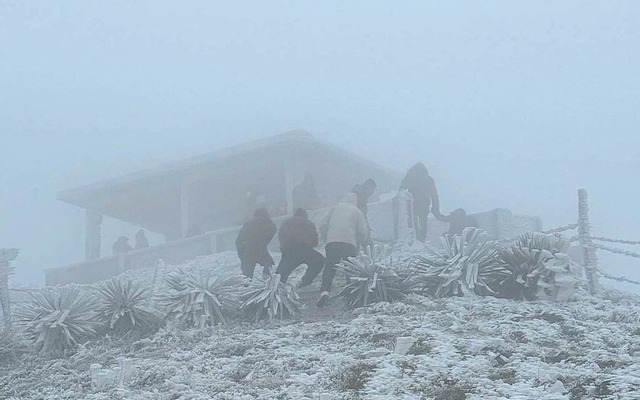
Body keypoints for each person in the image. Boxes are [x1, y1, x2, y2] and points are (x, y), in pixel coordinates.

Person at [317, 193, 370, 307]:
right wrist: (361, 241)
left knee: (330, 267)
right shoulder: (357, 211)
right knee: (350, 269)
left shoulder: (334, 208)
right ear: (355, 201)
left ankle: (325, 292)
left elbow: (323, 224)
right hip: (349, 243)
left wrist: (325, 237)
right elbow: (363, 231)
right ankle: (351, 293)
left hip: (332, 242)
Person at [275, 208, 325, 285]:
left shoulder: (285, 223)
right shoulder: (308, 223)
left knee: (281, 273)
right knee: (319, 261)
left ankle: (276, 286)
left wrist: (284, 248)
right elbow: (314, 240)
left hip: (288, 250)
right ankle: (305, 281)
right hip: (305, 250)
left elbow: (281, 236)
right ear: (305, 215)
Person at [399, 163, 441, 242]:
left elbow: (402, 189)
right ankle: (421, 238)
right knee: (423, 221)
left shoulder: (411, 177)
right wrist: (435, 208)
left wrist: (402, 202)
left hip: (412, 204)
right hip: (423, 204)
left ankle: (415, 238)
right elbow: (434, 195)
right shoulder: (428, 179)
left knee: (413, 221)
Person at [235, 208, 277, 280]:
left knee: (247, 271)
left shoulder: (248, 223)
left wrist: (242, 253)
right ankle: (266, 279)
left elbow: (239, 239)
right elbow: (272, 232)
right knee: (269, 263)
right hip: (257, 247)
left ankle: (245, 284)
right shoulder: (268, 222)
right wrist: (263, 242)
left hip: (245, 247)